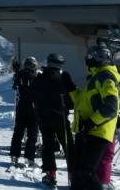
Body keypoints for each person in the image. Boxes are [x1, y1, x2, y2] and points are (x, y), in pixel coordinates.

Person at [69, 45, 120, 190]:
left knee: (86, 171)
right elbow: (82, 101)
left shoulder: (105, 77)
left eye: (91, 58)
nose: (88, 61)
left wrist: (91, 122)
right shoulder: (95, 76)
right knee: (78, 170)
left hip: (97, 131)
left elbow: (110, 106)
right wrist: (70, 88)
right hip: (85, 129)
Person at [32, 52, 76, 188]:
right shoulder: (63, 78)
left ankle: (51, 175)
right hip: (60, 118)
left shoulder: (38, 79)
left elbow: (33, 97)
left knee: (48, 146)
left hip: (44, 117)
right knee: (68, 146)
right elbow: (72, 101)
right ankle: (73, 175)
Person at [9, 57, 39, 168]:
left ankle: (14, 156)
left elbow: (15, 84)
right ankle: (29, 158)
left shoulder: (19, 78)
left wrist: (17, 71)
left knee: (18, 133)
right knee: (32, 135)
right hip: (33, 110)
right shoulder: (36, 79)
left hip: (21, 108)